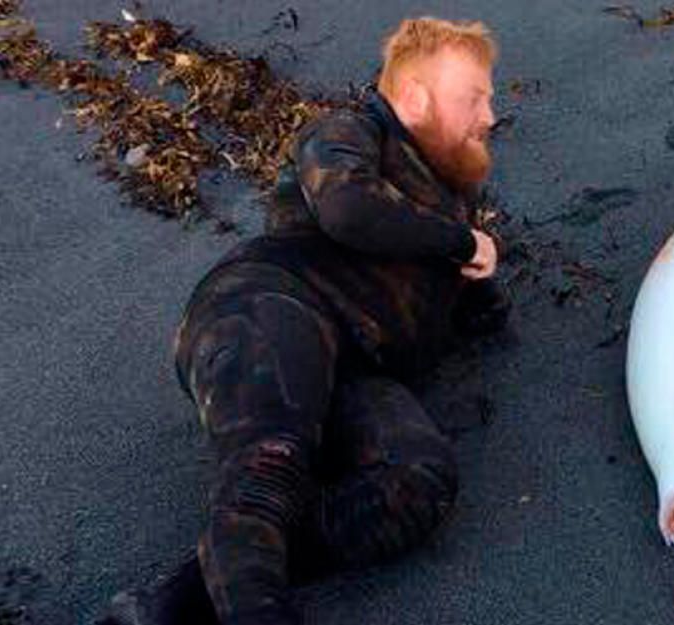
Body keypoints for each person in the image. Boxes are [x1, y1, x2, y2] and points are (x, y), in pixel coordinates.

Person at [100, 16, 510, 625]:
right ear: (416, 97)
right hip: (271, 306)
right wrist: (458, 242)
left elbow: (464, 310)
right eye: (473, 97)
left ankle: (176, 599)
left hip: (357, 367)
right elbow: (347, 209)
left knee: (419, 479)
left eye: (490, 97)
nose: (490, 115)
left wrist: (481, 287)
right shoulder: (348, 131)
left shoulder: (449, 197)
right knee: (272, 466)